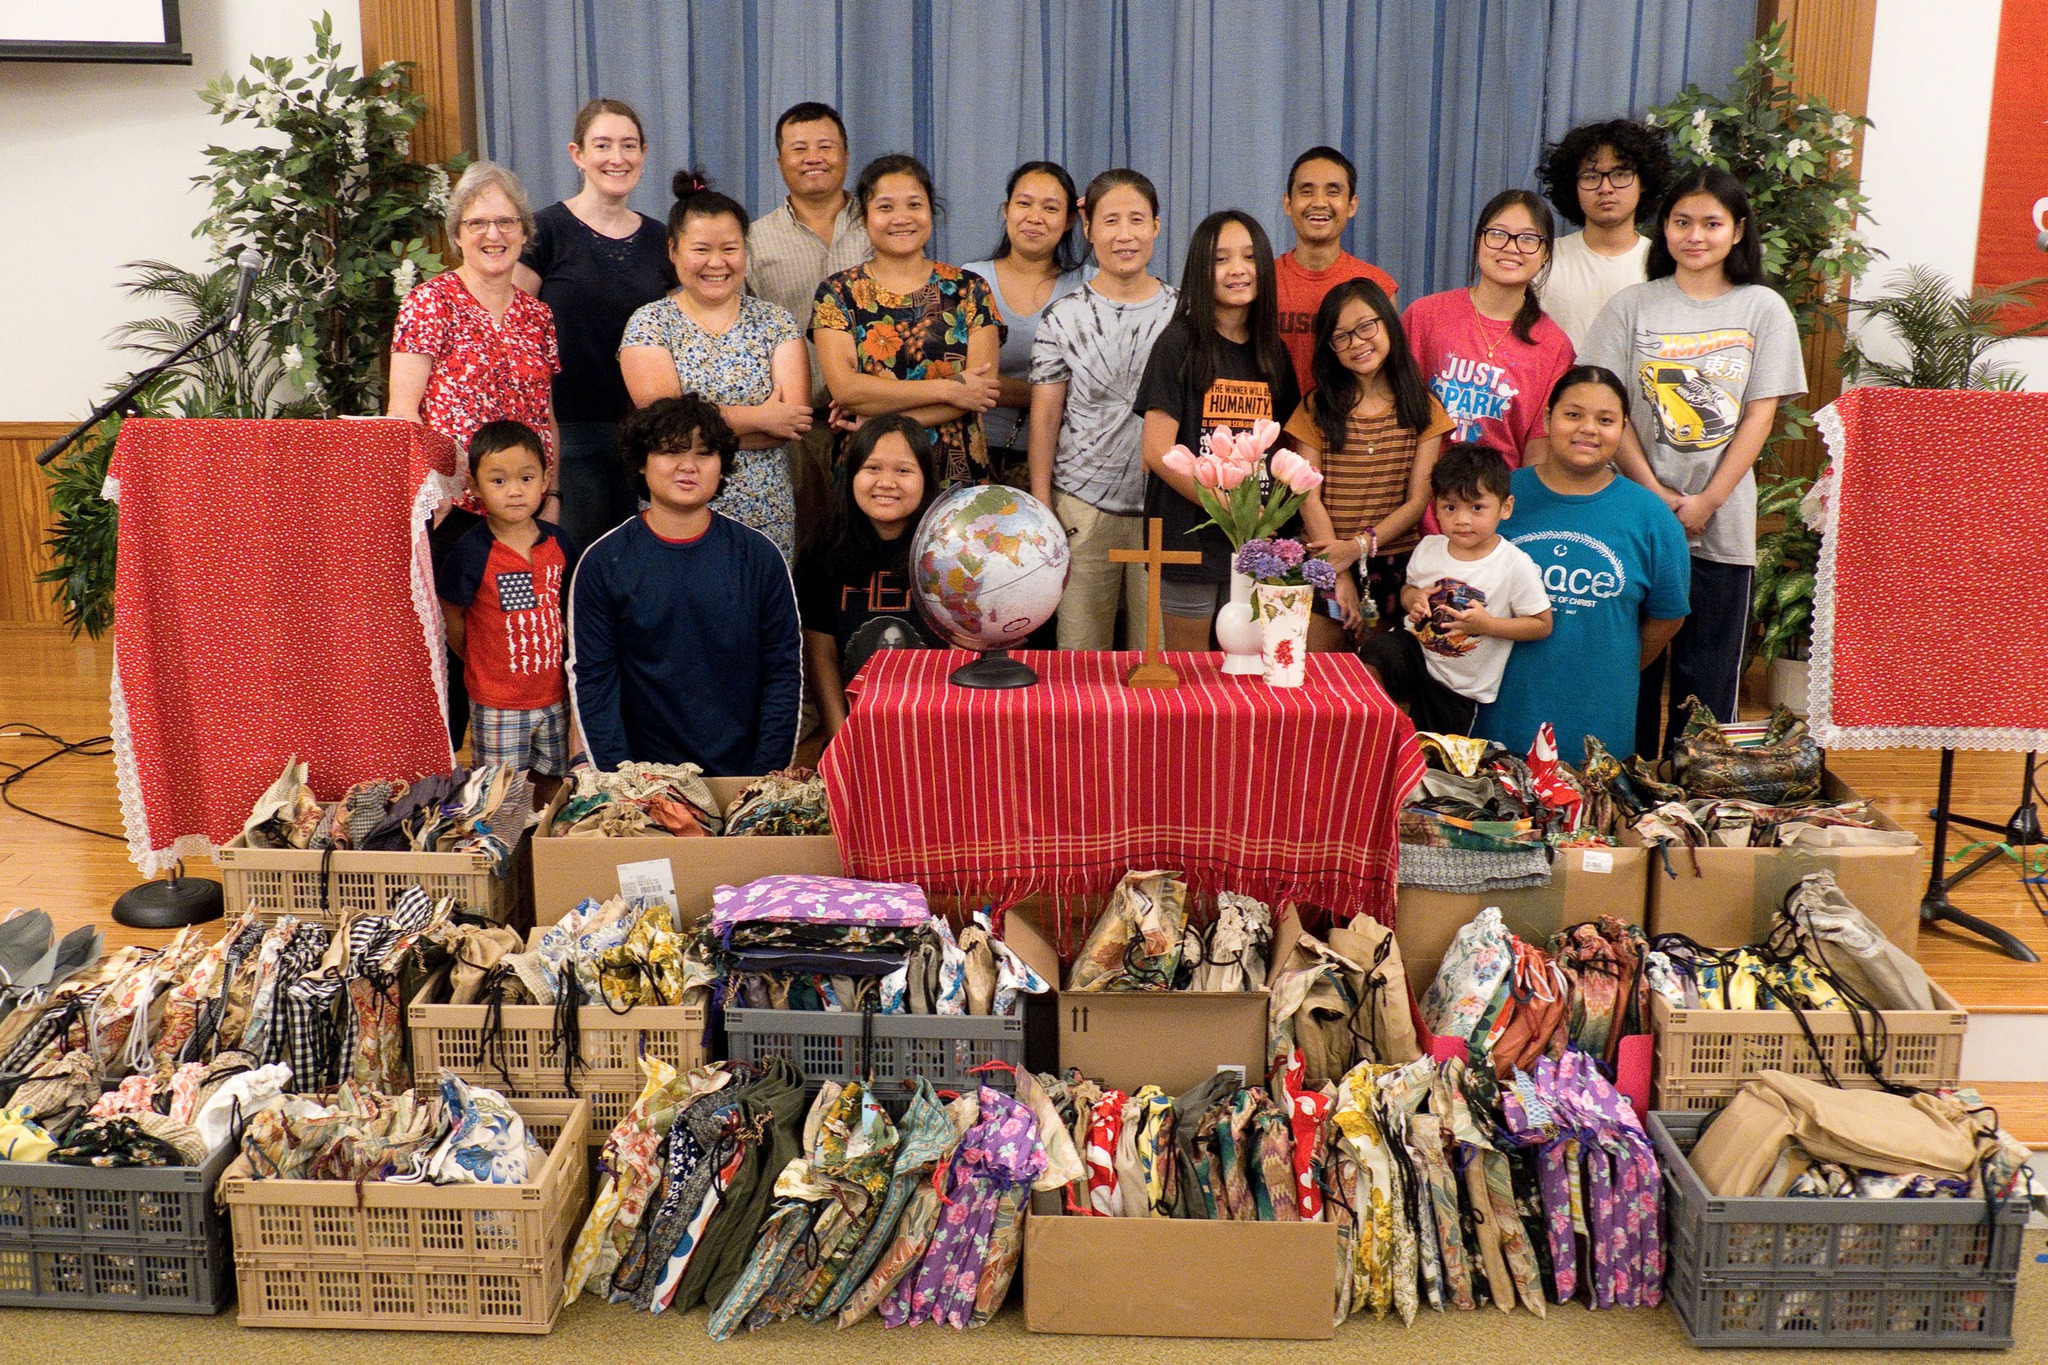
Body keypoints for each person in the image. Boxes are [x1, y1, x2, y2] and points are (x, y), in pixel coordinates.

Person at [1582, 168, 1806, 754]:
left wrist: (1708, 499)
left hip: (1722, 523)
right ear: (1664, 229)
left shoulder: (1764, 308)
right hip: (1634, 515)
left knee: (1706, 686)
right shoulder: (1631, 305)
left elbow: (1761, 414)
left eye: (1712, 223)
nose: (1695, 235)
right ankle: (1622, 801)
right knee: (1628, 673)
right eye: (1682, 221)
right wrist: (1654, 495)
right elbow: (1609, 409)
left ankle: (1697, 811)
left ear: (1738, 232)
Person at [389, 160, 560, 746]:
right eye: (478, 221)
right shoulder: (429, 302)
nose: (493, 234)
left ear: (523, 232)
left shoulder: (537, 314)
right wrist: (427, 504)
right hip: (451, 515)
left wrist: (551, 495)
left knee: (512, 643)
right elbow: (402, 415)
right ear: (456, 232)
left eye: (506, 221)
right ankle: (439, 790)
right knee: (448, 657)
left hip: (522, 508)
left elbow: (544, 414)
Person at [568, 395, 801, 776]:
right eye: (670, 450)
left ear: (722, 464)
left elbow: (783, 673)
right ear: (641, 462)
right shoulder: (602, 562)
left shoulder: (760, 557)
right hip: (641, 788)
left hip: (744, 780)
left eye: (704, 453)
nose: (688, 466)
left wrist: (762, 780)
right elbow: (594, 682)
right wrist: (624, 784)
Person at [1476, 367, 1691, 762]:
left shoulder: (1651, 518)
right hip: (1498, 721)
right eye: (1573, 415)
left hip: (1598, 726)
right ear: (1547, 419)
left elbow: (1667, 618)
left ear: (1623, 429)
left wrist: (1613, 664)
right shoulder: (1501, 495)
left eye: (1605, 420)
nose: (1588, 429)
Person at [620, 172, 810, 561]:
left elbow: (791, 423)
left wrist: (696, 433)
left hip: (765, 510)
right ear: (673, 250)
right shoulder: (649, 323)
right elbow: (663, 425)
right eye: (701, 249)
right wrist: (761, 417)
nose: (717, 263)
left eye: (730, 248)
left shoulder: (777, 322)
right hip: (678, 508)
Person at [1135, 210, 1302, 649]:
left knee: (1247, 672)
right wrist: (1230, 509)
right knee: (1190, 680)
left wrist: (1262, 522)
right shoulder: (1177, 343)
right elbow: (1156, 452)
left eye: (1248, 257)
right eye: (1221, 259)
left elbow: (1285, 448)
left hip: (1254, 545)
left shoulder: (1274, 353)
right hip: (1186, 540)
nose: (1237, 270)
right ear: (1199, 271)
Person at [1027, 169, 1179, 650]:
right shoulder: (1062, 317)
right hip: (1081, 508)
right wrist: (1043, 506)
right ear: (1087, 228)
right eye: (1110, 220)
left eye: (1137, 219)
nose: (1125, 234)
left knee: (1158, 660)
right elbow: (1046, 418)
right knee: (1078, 657)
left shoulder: (1186, 314)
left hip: (1167, 508)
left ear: (1157, 225)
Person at [513, 98, 675, 551]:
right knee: (577, 564)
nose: (617, 158)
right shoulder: (545, 231)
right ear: (577, 154)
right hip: (569, 433)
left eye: (629, 146)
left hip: (647, 435)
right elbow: (513, 331)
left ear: (644, 153)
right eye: (602, 145)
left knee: (641, 564)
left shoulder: (663, 239)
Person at [813, 154, 1004, 486]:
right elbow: (846, 390)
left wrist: (874, 420)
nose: (901, 218)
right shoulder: (837, 292)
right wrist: (950, 389)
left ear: (931, 211)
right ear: (863, 217)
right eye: (885, 207)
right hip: (869, 468)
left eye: (914, 205)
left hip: (954, 469)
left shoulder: (970, 289)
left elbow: (978, 394)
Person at [1287, 277, 1453, 650]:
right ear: (1329, 348)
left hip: (1393, 562)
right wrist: (1339, 566)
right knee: (1316, 680)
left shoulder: (1423, 408)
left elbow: (1416, 503)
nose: (1357, 343)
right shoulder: (1315, 407)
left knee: (1378, 682)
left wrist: (1358, 548)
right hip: (1324, 558)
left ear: (1388, 323)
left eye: (1366, 327)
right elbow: (1307, 496)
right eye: (1341, 336)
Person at [1359, 445, 1552, 737]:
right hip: (1416, 656)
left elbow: (1541, 624)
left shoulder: (1514, 564)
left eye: (1476, 508)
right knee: (1379, 649)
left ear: (1506, 507)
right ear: (1435, 507)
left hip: (1457, 689)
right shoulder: (1428, 547)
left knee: (1437, 763)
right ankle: (1380, 725)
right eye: (1450, 507)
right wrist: (1414, 599)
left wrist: (1487, 625)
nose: (1462, 520)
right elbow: (1407, 591)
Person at [434, 421, 580, 802]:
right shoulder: (471, 551)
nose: (515, 491)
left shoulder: (559, 542)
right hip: (496, 701)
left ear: (546, 479)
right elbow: (450, 613)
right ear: (475, 484)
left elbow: (569, 609)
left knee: (554, 784)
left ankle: (543, 856)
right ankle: (505, 859)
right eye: (498, 481)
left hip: (554, 696)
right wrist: (475, 656)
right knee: (497, 794)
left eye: (527, 478)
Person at [746, 101, 875, 532]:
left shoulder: (880, 224)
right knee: (801, 552)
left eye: (825, 146)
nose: (813, 158)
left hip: (875, 421)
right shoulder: (753, 240)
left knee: (870, 551)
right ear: (780, 161)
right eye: (799, 149)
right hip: (795, 430)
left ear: (846, 155)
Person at [1402, 190, 1575, 469]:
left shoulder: (1554, 347)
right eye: (1498, 234)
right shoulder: (1424, 316)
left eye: (1528, 238)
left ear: (1545, 254)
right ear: (1479, 240)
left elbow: (1537, 452)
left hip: (1498, 504)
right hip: (1416, 498)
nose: (1511, 247)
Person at [795, 414, 942, 737]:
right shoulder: (822, 550)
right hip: (854, 728)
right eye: (872, 468)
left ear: (926, 479)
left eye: (903, 470)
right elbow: (821, 657)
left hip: (937, 724)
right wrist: (842, 741)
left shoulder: (948, 550)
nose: (886, 482)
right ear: (851, 475)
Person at [960, 160, 1090, 479]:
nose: (1035, 217)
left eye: (1050, 208)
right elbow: (969, 383)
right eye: (1024, 203)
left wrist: (1097, 229)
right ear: (1006, 209)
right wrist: (1058, 393)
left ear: (1071, 219)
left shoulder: (1092, 286)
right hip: (975, 453)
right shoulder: (970, 280)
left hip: (1066, 462)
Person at [1536, 118, 1675, 349]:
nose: (1606, 188)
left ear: (1644, 182)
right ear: (1573, 187)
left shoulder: (1664, 262)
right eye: (1591, 177)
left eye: (1620, 174)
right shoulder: (1544, 258)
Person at [1272, 146, 1400, 394]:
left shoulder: (1378, 285)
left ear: (1352, 205)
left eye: (1333, 192)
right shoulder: (1262, 281)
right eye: (1306, 191)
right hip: (1267, 430)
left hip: (1349, 429)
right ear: (1288, 203)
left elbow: (1388, 376)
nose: (1319, 203)